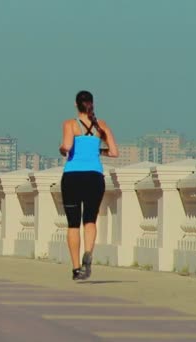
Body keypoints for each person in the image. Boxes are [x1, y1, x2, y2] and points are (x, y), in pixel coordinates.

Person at [59, 90, 118, 280]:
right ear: (91, 104)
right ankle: (88, 253)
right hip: (94, 177)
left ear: (76, 105)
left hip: (73, 177)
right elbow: (114, 152)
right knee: (90, 219)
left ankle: (77, 269)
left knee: (73, 224)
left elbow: (67, 146)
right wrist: (96, 150)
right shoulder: (102, 125)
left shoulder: (70, 124)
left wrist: (63, 149)